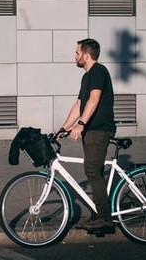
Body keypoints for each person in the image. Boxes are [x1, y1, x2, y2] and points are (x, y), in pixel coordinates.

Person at [61, 38, 116, 233]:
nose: (74, 56)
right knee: (94, 172)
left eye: (77, 53)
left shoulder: (98, 71)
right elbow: (79, 105)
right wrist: (64, 127)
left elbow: (94, 99)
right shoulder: (87, 77)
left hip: (99, 129)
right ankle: (97, 213)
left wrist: (81, 124)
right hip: (92, 130)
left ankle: (104, 218)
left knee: (92, 170)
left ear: (86, 55)